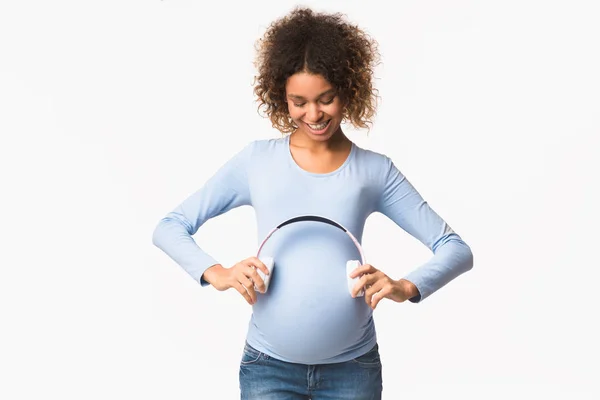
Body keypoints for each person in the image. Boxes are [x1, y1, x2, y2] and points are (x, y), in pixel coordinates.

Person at [152, 6, 473, 400]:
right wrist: (216, 272)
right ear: (280, 97)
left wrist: (404, 287)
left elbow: (456, 249)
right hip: (267, 369)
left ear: (348, 91)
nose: (314, 114)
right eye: (298, 101)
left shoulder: (374, 171)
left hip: (352, 372)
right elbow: (170, 226)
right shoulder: (256, 161)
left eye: (326, 99)